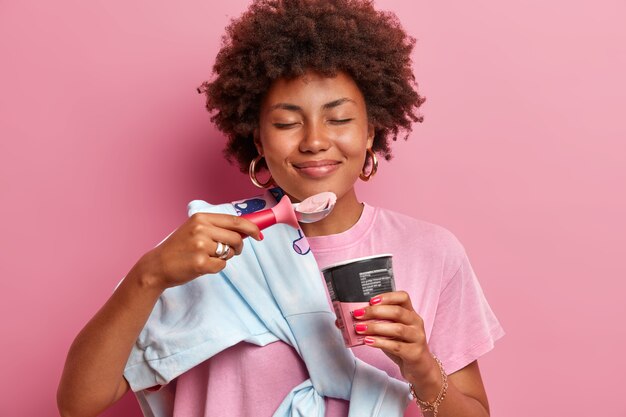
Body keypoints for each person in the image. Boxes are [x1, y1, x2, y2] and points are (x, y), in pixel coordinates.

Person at [57, 1, 504, 416]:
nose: (313, 141)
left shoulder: (432, 252)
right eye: (287, 122)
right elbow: (78, 402)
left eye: (340, 119)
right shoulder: (202, 249)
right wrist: (149, 274)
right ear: (259, 140)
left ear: (371, 131)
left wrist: (421, 366)